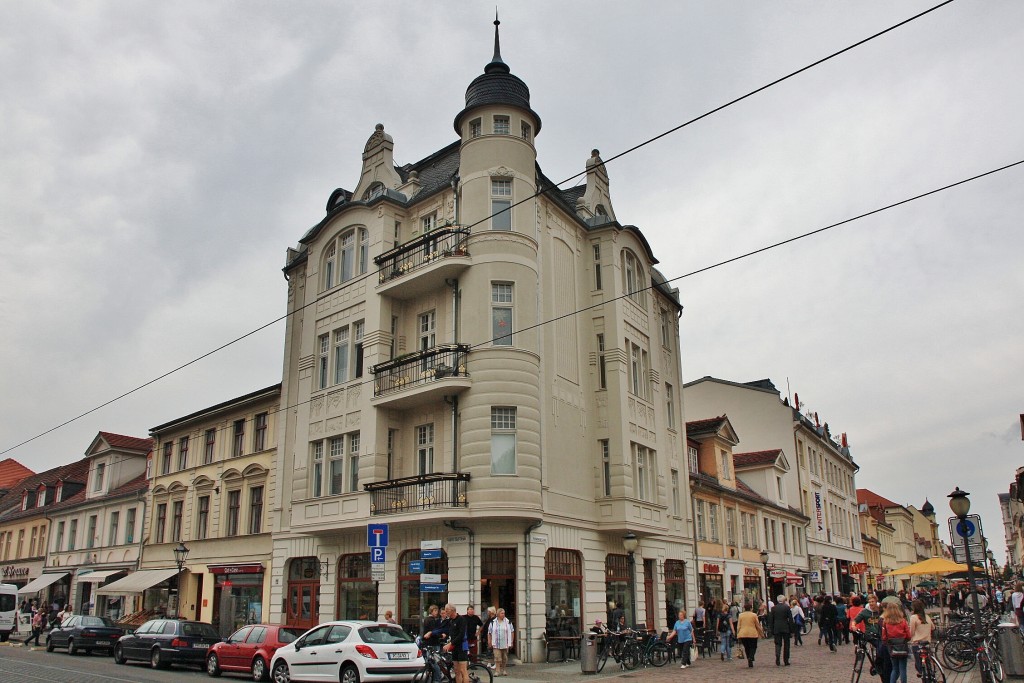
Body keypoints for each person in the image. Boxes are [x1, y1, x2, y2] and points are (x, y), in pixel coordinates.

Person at [881, 601, 911, 683]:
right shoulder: (903, 621)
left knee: (895, 668)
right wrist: (905, 640)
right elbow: (908, 635)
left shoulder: (885, 622)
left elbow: (884, 636)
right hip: (902, 645)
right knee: (903, 668)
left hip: (891, 646)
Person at [441, 604, 470, 683]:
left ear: (452, 610)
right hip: (455, 647)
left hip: (462, 647)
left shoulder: (461, 619)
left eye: (447, 611)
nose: (446, 612)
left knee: (463, 670)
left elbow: (461, 635)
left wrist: (450, 644)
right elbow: (449, 633)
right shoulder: (450, 621)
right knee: (456, 670)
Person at [908, 599, 933, 678]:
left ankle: (920, 672)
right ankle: (930, 673)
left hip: (917, 643)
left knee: (918, 661)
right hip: (927, 642)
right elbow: (933, 627)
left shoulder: (913, 617)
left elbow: (911, 633)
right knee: (928, 659)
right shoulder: (927, 617)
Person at [767, 593, 794, 666]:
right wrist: (792, 629)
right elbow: (790, 619)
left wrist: (772, 629)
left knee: (778, 644)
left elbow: (771, 620)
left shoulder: (773, 608)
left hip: (777, 628)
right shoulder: (787, 607)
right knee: (786, 644)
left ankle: (778, 656)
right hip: (785, 628)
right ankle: (786, 660)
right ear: (783, 600)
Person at [736, 602, 765, 667]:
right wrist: (761, 633)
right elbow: (757, 625)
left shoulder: (741, 615)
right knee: (753, 646)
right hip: (752, 633)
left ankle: (749, 657)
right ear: (751, 608)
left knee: (747, 647)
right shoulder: (754, 615)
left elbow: (738, 626)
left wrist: (737, 634)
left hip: (743, 634)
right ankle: (751, 657)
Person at [487, 608, 514, 677]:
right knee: (497, 657)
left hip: (505, 642)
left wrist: (511, 641)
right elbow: (489, 632)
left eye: (504, 613)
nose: (503, 615)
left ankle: (504, 670)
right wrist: (489, 641)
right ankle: (497, 671)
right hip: (496, 643)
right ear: (498, 614)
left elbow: (512, 631)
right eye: (502, 613)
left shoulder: (508, 622)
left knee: (504, 658)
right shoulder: (493, 622)